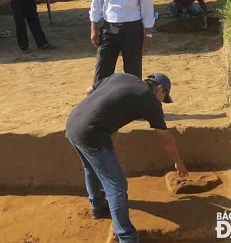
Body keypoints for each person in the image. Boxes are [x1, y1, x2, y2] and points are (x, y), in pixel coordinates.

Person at [66, 72, 188, 243]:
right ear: (159, 88)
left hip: (73, 122)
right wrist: (178, 162)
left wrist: (107, 120)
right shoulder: (150, 101)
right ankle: (127, 237)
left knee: (91, 168)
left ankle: (98, 207)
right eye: (164, 96)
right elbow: (166, 138)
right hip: (91, 134)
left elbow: (89, 92)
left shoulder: (124, 77)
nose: (162, 101)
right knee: (117, 186)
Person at [90, 0, 155, 84]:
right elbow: (96, 3)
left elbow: (147, 8)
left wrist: (148, 34)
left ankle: (132, 101)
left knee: (133, 72)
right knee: (103, 70)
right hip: (109, 28)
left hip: (132, 30)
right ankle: (100, 101)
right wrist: (94, 28)